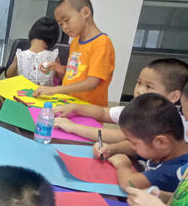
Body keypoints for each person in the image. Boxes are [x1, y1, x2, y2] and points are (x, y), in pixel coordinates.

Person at [53, 58, 188, 143]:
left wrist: (73, 127)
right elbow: (104, 113)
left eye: (149, 87)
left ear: (173, 96)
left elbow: (122, 137)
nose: (139, 90)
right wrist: (75, 107)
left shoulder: (170, 123)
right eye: (139, 83)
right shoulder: (138, 109)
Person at [33, 0, 114, 106]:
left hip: (89, 109)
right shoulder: (75, 42)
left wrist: (54, 90)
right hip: (70, 104)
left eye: (67, 20)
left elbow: (92, 82)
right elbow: (76, 72)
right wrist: (57, 67)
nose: (64, 27)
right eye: (61, 24)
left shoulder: (101, 43)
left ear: (86, 12)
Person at [107, 93, 188, 192]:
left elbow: (129, 184)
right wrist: (111, 148)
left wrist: (123, 165)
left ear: (161, 142)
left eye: (134, 143)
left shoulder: (176, 169)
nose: (132, 146)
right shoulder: (161, 149)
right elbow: (134, 149)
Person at [6, 16, 61, 86]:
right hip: (46, 92)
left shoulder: (20, 56)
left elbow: (9, 75)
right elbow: (61, 78)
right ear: (53, 40)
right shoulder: (54, 57)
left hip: (23, 92)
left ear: (31, 34)